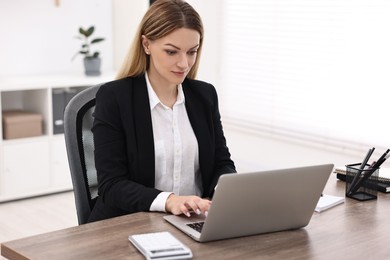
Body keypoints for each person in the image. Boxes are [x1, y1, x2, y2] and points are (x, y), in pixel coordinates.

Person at [88, 0, 236, 223]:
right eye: (171, 52)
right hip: (127, 223)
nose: (184, 64)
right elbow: (112, 185)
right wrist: (169, 201)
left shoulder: (205, 96)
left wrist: (224, 195)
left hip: (191, 221)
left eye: (192, 52)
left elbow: (221, 163)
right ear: (146, 44)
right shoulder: (115, 98)